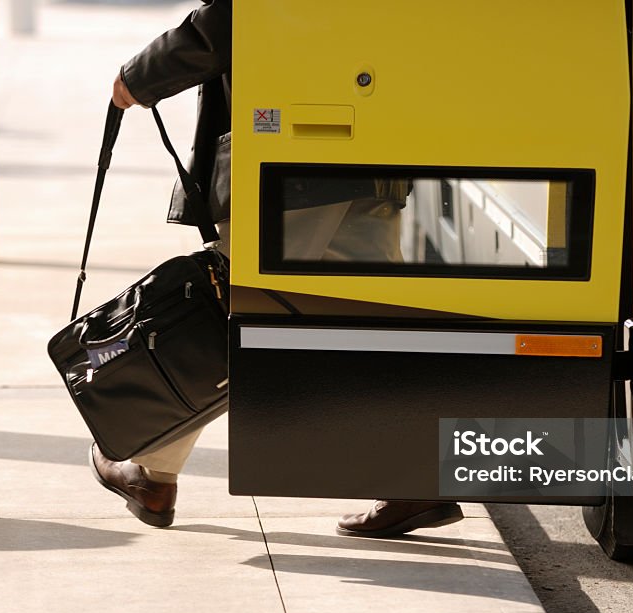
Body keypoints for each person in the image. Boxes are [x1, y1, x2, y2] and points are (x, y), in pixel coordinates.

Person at [91, 0, 464, 538]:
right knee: (368, 320)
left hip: (296, 151)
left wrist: (138, 78)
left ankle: (151, 470)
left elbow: (233, 20)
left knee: (230, 309)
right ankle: (411, 478)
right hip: (375, 140)